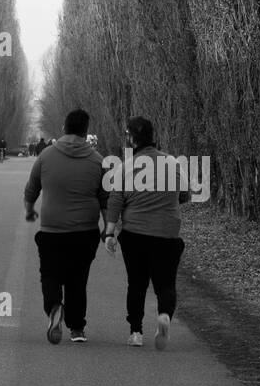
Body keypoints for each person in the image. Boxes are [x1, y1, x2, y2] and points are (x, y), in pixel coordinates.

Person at [104, 117, 191, 350]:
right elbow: (185, 195)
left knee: (137, 283)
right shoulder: (172, 163)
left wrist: (109, 233)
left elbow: (115, 200)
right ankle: (164, 315)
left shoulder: (126, 166)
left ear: (132, 139)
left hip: (135, 234)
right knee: (166, 284)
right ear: (153, 136)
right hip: (167, 233)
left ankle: (135, 332)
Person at [24, 110, 106, 344]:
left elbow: (32, 188)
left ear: (63, 128)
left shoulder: (46, 156)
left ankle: (54, 306)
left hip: (52, 230)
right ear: (85, 131)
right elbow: (105, 197)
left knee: (50, 273)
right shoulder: (97, 160)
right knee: (78, 279)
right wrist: (109, 228)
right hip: (85, 231)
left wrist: (30, 210)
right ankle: (77, 328)